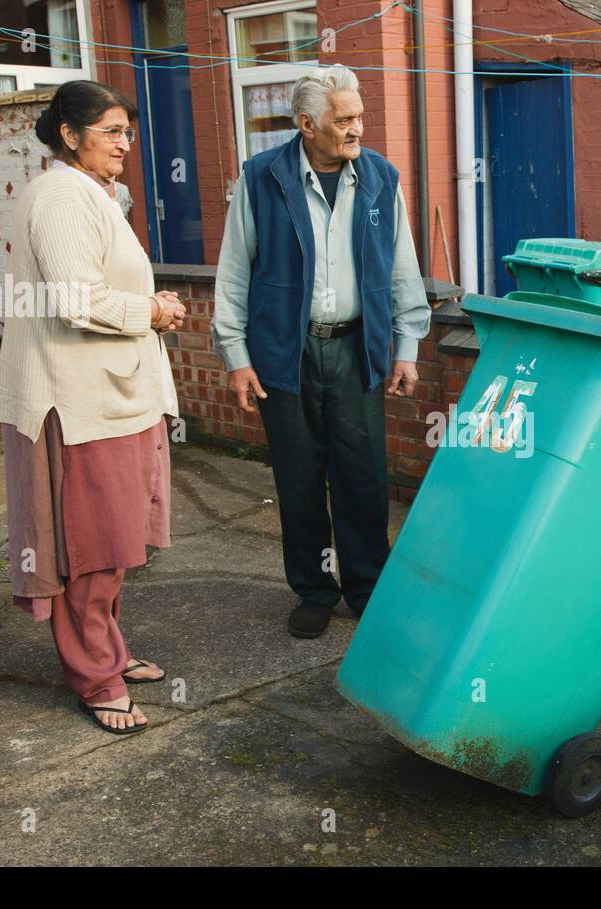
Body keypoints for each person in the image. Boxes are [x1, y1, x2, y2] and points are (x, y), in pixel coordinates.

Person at [213, 65, 430, 639]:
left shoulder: (381, 176)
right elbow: (234, 272)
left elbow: (403, 267)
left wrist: (405, 347)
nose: (358, 128)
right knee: (299, 478)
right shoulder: (262, 178)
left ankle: (366, 588)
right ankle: (313, 589)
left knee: (364, 478)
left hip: (357, 348)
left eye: (360, 117)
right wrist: (235, 354)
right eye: (345, 120)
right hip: (285, 351)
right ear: (307, 124)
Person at [0, 80, 187, 735]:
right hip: (76, 402)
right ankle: (96, 678)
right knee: (91, 547)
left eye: (128, 133)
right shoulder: (58, 195)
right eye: (111, 132)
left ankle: (109, 652)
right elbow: (76, 301)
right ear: (70, 134)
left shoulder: (92, 194)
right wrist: (152, 311)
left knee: (113, 542)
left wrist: (146, 306)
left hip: (110, 397)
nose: (124, 146)